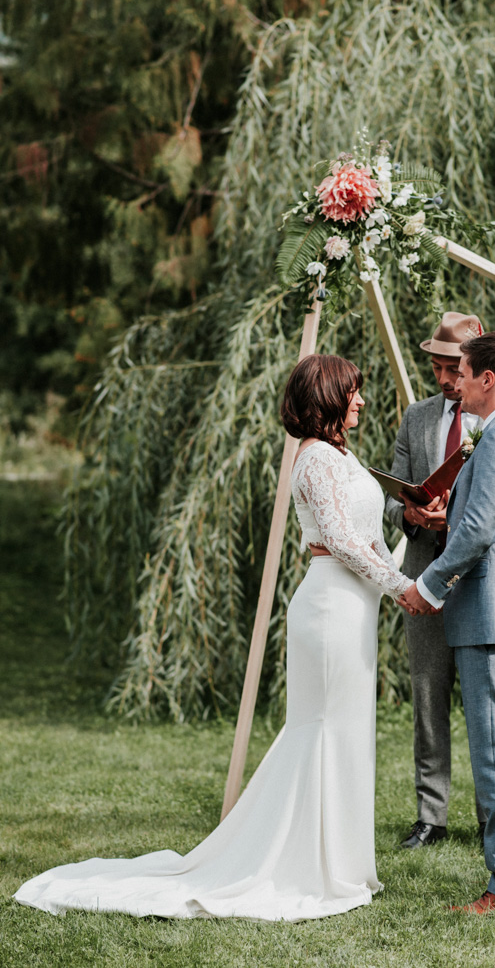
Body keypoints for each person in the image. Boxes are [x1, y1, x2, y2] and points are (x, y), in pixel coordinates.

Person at [14, 353, 412, 923]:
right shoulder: (316, 459)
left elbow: (367, 536)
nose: (362, 401)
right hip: (328, 608)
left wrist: (407, 549)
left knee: (346, 732)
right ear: (327, 395)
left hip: (355, 608)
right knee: (321, 730)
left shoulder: (341, 455)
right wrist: (402, 588)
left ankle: (341, 864)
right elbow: (341, 543)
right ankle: (306, 865)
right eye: (352, 392)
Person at [398, 331, 495, 913]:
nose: (454, 382)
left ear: (488, 379)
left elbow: (477, 531)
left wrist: (428, 587)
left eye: (461, 372)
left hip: (493, 617)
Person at [384, 310, 488, 849]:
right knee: (428, 697)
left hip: (478, 579)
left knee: (482, 700)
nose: (446, 379)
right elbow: (393, 493)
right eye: (437, 367)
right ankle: (431, 817)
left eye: (453, 368)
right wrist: (411, 515)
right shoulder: (417, 417)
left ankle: (491, 814)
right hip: (422, 573)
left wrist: (460, 515)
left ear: (476, 366)